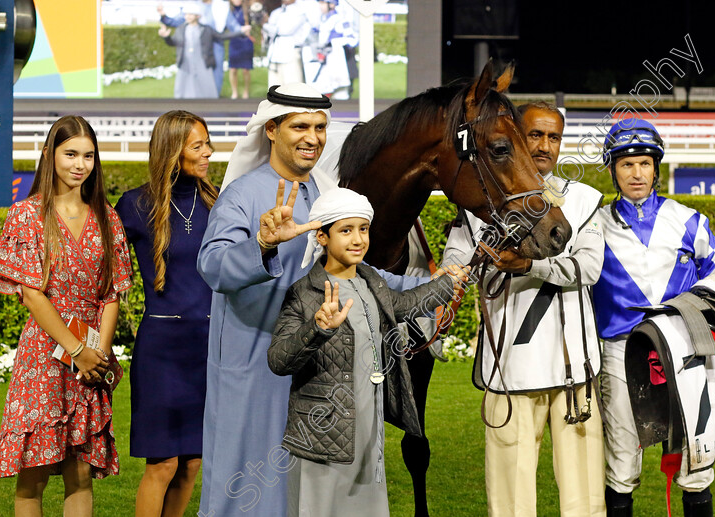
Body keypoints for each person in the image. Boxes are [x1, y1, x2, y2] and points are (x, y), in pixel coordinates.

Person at [197, 82, 429, 516]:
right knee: (248, 488)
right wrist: (263, 244)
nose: (313, 137)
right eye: (300, 126)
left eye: (320, 127)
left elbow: (359, 275)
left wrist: (433, 290)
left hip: (317, 373)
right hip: (253, 371)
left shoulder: (326, 198)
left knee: (310, 493)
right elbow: (212, 268)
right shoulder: (242, 195)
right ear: (271, 129)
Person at [442, 102, 606, 516]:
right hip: (509, 368)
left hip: (572, 370)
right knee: (510, 499)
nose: (544, 146)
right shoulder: (479, 201)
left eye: (553, 137)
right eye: (535, 135)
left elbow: (589, 267)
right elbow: (453, 263)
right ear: (516, 136)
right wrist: (457, 275)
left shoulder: (583, 200)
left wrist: (529, 265)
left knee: (583, 498)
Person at [268, 188, 467, 516]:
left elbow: (403, 305)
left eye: (363, 229)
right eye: (346, 230)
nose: (358, 239)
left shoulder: (370, 280)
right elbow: (278, 360)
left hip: (367, 435)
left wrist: (449, 283)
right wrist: (317, 329)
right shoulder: (304, 294)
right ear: (321, 237)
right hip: (321, 441)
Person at [0, 116, 133, 516]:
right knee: (34, 470)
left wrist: (97, 356)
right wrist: (76, 350)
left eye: (88, 155)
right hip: (44, 356)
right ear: (51, 155)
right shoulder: (26, 214)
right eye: (70, 153)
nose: (79, 164)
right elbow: (32, 295)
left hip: (89, 355)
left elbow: (112, 294)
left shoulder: (108, 217)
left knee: (80, 472)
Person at [593, 118, 715, 517]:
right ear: (612, 169)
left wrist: (691, 307)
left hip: (684, 350)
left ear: (656, 167)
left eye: (644, 163)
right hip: (619, 352)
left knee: (695, 458)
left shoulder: (688, 220)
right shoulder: (595, 225)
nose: (636, 173)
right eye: (626, 164)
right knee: (621, 460)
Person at [114, 111, 217, 517]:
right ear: (173, 151)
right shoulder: (133, 206)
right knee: (163, 463)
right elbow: (100, 270)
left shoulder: (218, 201)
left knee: (193, 462)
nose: (209, 152)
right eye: (198, 146)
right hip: (162, 352)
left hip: (209, 350)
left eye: (207, 143)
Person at [158, 3, 249, 99]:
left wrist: (240, 32)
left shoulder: (206, 30)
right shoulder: (181, 29)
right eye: (186, 14)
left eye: (191, 14)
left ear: (197, 16)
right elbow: (173, 42)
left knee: (205, 87)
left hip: (202, 63)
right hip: (186, 64)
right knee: (184, 89)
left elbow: (222, 36)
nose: (188, 16)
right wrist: (166, 37)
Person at [308, 0, 356, 99]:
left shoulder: (340, 20)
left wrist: (334, 43)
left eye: (323, 3)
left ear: (332, 4)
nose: (320, 6)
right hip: (324, 60)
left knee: (340, 93)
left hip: (337, 61)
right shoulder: (323, 20)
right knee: (320, 90)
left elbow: (353, 40)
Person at [263, 0, 311, 86]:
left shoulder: (300, 12)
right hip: (275, 53)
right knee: (274, 86)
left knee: (292, 85)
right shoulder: (276, 12)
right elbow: (270, 32)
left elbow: (285, 30)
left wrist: (265, 25)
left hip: (291, 51)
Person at [226, 0, 255, 99]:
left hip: (246, 41)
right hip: (234, 41)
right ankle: (234, 92)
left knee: (245, 70)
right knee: (233, 69)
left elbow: (255, 23)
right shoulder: (228, 10)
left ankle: (246, 91)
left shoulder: (248, 9)